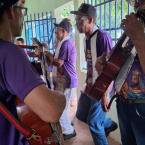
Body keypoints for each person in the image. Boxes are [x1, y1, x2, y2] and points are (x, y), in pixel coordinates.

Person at [0, 0, 66, 145]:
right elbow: (52, 111)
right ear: (11, 11)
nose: (23, 16)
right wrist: (59, 89)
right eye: (22, 9)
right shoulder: (8, 52)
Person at [95, 0, 145, 144]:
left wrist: (138, 36)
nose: (135, 5)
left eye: (139, 1)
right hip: (123, 104)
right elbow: (119, 61)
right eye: (134, 2)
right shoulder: (134, 29)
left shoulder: (136, 31)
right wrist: (105, 63)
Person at [70, 3, 118, 145]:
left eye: (80, 20)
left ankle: (103, 126)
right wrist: (86, 83)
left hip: (101, 87)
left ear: (90, 20)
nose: (77, 23)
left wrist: (105, 95)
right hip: (90, 85)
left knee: (94, 123)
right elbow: (90, 65)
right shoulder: (85, 39)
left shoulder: (103, 37)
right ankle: (108, 123)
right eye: (76, 21)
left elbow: (110, 68)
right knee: (81, 114)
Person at [45, 19, 78, 140]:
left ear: (63, 31)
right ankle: (68, 125)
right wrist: (47, 56)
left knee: (60, 107)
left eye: (57, 31)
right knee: (61, 106)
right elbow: (54, 60)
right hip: (63, 81)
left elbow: (59, 63)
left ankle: (69, 131)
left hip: (67, 81)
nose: (55, 33)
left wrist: (47, 56)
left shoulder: (66, 44)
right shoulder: (61, 43)